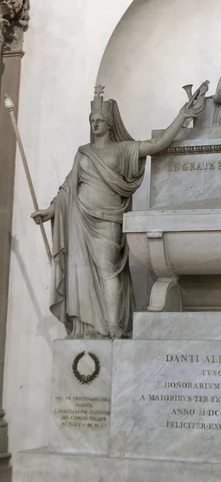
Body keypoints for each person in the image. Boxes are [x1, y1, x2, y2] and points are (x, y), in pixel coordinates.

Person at [31, 86, 204, 339]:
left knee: (108, 270)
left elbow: (157, 145)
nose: (95, 124)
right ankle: (87, 328)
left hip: (107, 219)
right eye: (92, 121)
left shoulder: (123, 150)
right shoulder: (83, 153)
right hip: (80, 218)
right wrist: (50, 210)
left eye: (100, 120)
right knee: (81, 272)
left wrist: (182, 116)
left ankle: (113, 325)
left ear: (110, 123)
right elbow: (68, 187)